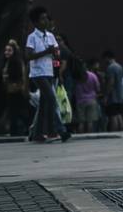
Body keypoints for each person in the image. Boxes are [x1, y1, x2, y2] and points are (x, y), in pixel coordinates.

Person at [25, 7, 69, 143]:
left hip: (49, 72)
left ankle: (36, 134)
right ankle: (60, 130)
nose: (46, 21)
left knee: (44, 105)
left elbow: (56, 53)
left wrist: (56, 55)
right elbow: (28, 56)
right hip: (38, 74)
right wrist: (46, 52)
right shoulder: (32, 37)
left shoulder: (50, 36)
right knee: (51, 98)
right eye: (43, 19)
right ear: (36, 22)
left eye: (46, 18)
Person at [73, 58, 101, 133]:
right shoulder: (92, 75)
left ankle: (81, 135)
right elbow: (97, 88)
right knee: (90, 121)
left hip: (80, 101)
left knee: (81, 122)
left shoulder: (76, 77)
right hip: (91, 100)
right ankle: (89, 135)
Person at [102, 50, 123, 131]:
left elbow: (111, 82)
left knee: (113, 115)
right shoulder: (120, 66)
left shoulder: (110, 68)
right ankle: (121, 131)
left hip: (113, 96)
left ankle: (114, 132)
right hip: (120, 95)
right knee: (119, 114)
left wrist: (106, 96)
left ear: (107, 57)